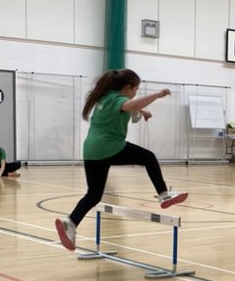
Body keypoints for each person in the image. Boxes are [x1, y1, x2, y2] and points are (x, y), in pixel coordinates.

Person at [55, 68, 187, 252]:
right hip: (108, 146)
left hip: (91, 150)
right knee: (148, 157)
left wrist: (143, 112)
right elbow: (130, 105)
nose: (136, 93)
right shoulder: (117, 99)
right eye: (136, 89)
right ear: (127, 87)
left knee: (94, 194)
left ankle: (70, 223)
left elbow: (129, 107)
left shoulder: (105, 98)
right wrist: (157, 95)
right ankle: (164, 194)